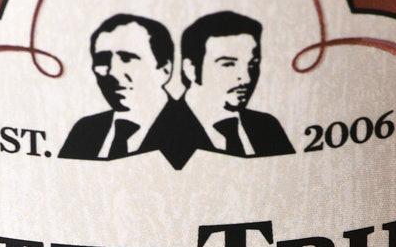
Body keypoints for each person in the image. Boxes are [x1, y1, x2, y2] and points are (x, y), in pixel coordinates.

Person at [60, 14, 182, 160]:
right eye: (102, 59)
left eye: (127, 58)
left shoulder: (186, 130)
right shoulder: (84, 130)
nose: (113, 72)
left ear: (165, 69)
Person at [179, 11, 294, 158]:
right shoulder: (166, 132)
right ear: (191, 69)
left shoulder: (268, 126)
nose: (246, 79)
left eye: (252, 64)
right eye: (228, 64)